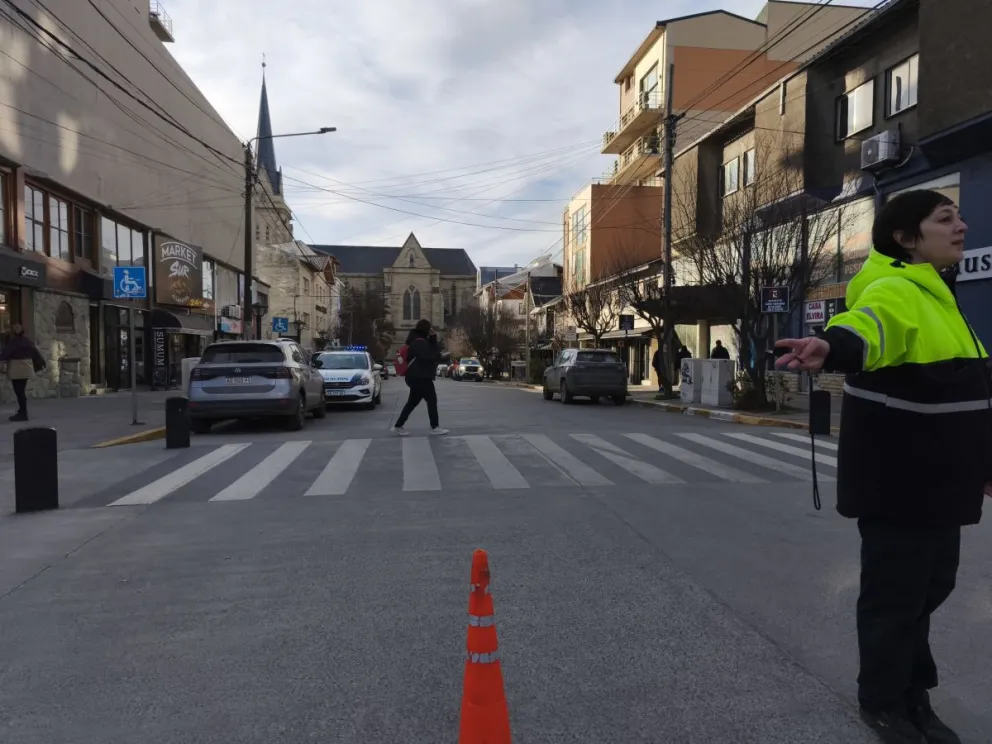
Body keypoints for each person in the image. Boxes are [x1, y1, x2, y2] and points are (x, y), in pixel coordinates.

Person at [776, 190, 992, 744]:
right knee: (895, 598)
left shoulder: (939, 295)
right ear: (905, 237)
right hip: (902, 481)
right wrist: (831, 346)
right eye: (945, 220)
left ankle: (912, 694)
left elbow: (969, 396)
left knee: (928, 591)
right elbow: (868, 327)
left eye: (960, 217)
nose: (960, 227)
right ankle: (883, 701)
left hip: (942, 481)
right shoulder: (895, 288)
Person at [391, 319, 449, 436]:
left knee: (412, 402)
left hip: (417, 376)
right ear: (425, 329)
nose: (431, 331)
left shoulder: (419, 340)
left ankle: (398, 425)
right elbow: (427, 356)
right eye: (429, 329)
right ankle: (435, 426)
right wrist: (440, 356)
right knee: (431, 400)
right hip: (420, 377)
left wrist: (433, 338)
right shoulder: (419, 342)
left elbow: (430, 351)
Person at [0, 323, 46, 422]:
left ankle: (23, 413)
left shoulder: (12, 342)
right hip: (26, 369)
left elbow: (5, 354)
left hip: (16, 369)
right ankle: (22, 411)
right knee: (21, 391)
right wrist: (41, 363)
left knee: (19, 391)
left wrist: (2, 364)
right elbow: (35, 352)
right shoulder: (27, 341)